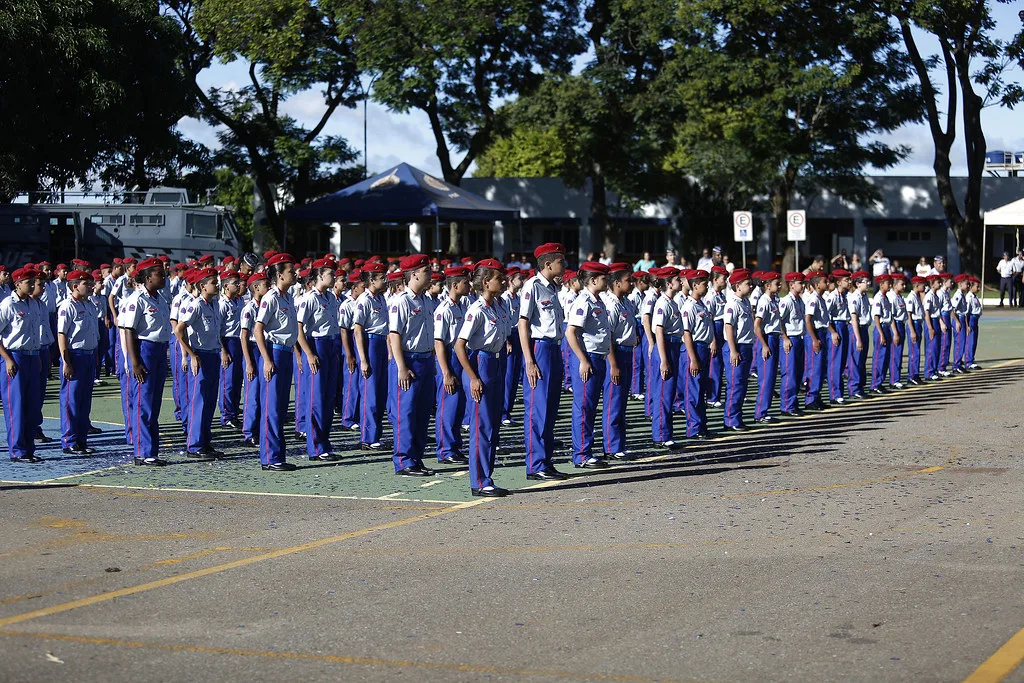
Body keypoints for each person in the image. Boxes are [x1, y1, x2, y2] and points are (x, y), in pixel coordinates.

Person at [455, 259, 513, 496]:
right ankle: (479, 481)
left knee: (493, 424)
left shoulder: (498, 306)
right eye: (499, 278)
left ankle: (487, 475)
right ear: (486, 282)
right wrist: (473, 377)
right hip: (482, 363)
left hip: (497, 361)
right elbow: (460, 345)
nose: (503, 281)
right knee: (482, 425)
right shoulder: (476, 310)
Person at [518, 243, 570, 479]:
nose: (565, 264)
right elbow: (523, 323)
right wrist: (529, 360)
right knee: (537, 408)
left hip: (554, 349)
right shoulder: (533, 287)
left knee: (550, 409)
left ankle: (546, 461)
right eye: (561, 261)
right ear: (548, 264)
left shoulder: (553, 288)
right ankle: (536, 464)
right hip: (540, 348)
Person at [387, 253, 437, 476]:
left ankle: (416, 458)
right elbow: (394, 336)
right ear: (414, 274)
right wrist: (401, 366)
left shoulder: (426, 300)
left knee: (423, 412)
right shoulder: (402, 301)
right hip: (408, 361)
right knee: (405, 413)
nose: (430, 275)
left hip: (425, 360)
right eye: (426, 271)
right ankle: (404, 460)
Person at [122, 258, 172, 466]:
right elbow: (128, 331)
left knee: (154, 403)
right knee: (144, 402)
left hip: (159, 350)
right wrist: (134, 362)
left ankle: (151, 449)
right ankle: (143, 452)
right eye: (159, 274)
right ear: (147, 277)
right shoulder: (137, 300)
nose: (164, 277)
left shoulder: (159, 299)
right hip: (145, 350)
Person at [254, 253, 300, 472]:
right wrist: (266, 359)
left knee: (280, 408)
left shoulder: (287, 297)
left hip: (286, 351)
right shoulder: (271, 298)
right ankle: (271, 458)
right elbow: (257, 329)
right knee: (272, 407)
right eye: (291, 271)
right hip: (275, 352)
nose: (295, 273)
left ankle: (278, 455)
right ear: (280, 275)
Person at [565, 262, 612, 469]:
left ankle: (587, 450)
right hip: (588, 357)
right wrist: (583, 360)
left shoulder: (598, 301)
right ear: (593, 280)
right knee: (584, 407)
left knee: (591, 407)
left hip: (598, 356)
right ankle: (582, 454)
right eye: (604, 278)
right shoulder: (583, 301)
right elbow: (570, 332)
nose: (607, 281)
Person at [175, 267, 225, 460]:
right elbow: (179, 331)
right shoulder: (195, 305)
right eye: (213, 282)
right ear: (203, 286)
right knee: (199, 401)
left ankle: (205, 441)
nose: (217, 285)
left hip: (213, 354)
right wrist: (191, 355)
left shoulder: (214, 305)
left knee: (210, 401)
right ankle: (194, 445)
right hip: (201, 355)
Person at [296, 258, 342, 462]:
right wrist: (308, 353)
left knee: (329, 397)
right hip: (317, 345)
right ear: (320, 276)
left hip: (331, 345)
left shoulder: (331, 298)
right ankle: (316, 446)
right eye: (331, 274)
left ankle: (325, 442)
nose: (334, 277)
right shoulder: (310, 298)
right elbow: (298, 329)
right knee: (316, 398)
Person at [0, 268, 44, 462]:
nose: (33, 285)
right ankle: (18, 450)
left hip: (33, 356)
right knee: (16, 406)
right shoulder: (8, 304)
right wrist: (8, 359)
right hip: (15, 357)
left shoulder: (33, 304)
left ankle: (29, 448)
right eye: (29, 282)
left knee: (33, 406)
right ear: (17, 283)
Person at [57, 270, 100, 455]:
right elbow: (62, 335)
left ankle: (81, 439)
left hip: (89, 355)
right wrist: (66, 361)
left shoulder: (89, 305)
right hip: (75, 356)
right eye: (87, 283)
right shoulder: (67, 306)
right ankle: (69, 440)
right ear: (75, 286)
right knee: (71, 400)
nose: (91, 286)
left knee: (84, 400)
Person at [433, 265, 470, 465]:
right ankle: (445, 449)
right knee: (449, 404)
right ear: (454, 285)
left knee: (459, 405)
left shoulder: (463, 305)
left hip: (460, 355)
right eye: (465, 282)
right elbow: (439, 342)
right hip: (448, 357)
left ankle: (455, 446)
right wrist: (446, 371)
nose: (469, 285)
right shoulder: (444, 310)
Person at [601, 262, 636, 459]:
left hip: (627, 352)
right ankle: (611, 446)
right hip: (616, 354)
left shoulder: (626, 302)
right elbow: (609, 337)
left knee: (621, 401)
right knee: (613, 401)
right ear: (616, 283)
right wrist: (613, 364)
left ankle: (619, 444)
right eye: (627, 280)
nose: (631, 283)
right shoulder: (612, 305)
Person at [352, 262, 389, 450]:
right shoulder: (364, 300)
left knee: (381, 392)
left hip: (382, 343)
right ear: (371, 280)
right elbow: (358, 330)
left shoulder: (381, 299)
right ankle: (368, 437)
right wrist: (363, 359)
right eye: (381, 277)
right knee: (370, 392)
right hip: (370, 343)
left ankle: (376, 434)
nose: (385, 280)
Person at [650, 267, 684, 449]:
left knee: (669, 393)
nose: (681, 281)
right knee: (663, 393)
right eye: (677, 279)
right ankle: (661, 435)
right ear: (669, 283)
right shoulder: (662, 303)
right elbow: (659, 332)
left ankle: (665, 433)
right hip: (666, 347)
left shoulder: (672, 302)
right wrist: (664, 359)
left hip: (673, 346)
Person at [680, 269, 714, 437]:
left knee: (701, 389)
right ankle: (694, 428)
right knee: (693, 390)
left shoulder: (702, 305)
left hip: (704, 348)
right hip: (694, 349)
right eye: (704, 284)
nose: (707, 287)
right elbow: (687, 333)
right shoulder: (689, 306)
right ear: (694, 285)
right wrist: (693, 358)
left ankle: (701, 425)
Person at [722, 269, 754, 430]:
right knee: (735, 384)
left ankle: (737, 416)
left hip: (746, 346)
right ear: (738, 286)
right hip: (736, 345)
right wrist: (733, 350)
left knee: (742, 384)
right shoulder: (733, 304)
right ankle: (731, 419)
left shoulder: (745, 301)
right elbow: (728, 327)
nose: (751, 285)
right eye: (747, 283)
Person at [803, 271, 839, 410]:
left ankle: (816, 396)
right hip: (815, 334)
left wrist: (831, 332)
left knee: (821, 368)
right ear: (817, 284)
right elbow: (808, 320)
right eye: (825, 281)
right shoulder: (813, 299)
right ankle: (810, 399)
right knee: (814, 368)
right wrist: (814, 339)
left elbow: (824, 320)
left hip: (822, 333)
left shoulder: (821, 299)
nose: (828, 283)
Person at [239, 272, 267, 447]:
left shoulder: (265, 305)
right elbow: (244, 336)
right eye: (265, 284)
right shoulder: (248, 309)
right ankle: (249, 432)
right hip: (253, 349)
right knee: (253, 394)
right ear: (256, 287)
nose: (268, 287)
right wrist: (249, 362)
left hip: (263, 347)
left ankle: (259, 429)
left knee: (263, 392)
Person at [753, 271, 781, 423]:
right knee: (766, 378)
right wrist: (764, 345)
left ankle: (764, 410)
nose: (780, 285)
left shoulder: (773, 300)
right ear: (768, 285)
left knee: (771, 378)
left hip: (774, 338)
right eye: (777, 283)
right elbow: (757, 326)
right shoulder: (764, 301)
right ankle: (760, 413)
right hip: (767, 339)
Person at [218, 271, 245, 429]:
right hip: (228, 342)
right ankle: (227, 414)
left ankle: (234, 412)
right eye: (235, 282)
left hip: (239, 341)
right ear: (226, 285)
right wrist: (223, 351)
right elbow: (218, 330)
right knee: (228, 380)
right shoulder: (222, 304)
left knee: (237, 380)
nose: (238, 285)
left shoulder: (239, 301)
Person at [338, 271, 364, 432]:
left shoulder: (363, 301)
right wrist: (349, 354)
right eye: (362, 286)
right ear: (354, 288)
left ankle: (358, 414)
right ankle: (348, 417)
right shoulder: (347, 305)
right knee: (351, 381)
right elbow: (344, 330)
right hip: (351, 341)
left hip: (361, 340)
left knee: (361, 380)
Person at [778, 272, 806, 417]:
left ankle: (793, 403)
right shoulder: (786, 301)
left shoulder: (799, 301)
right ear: (791, 285)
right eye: (800, 283)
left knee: (798, 373)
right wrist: (785, 338)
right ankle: (787, 405)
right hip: (791, 339)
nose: (803, 285)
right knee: (789, 373)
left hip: (799, 338)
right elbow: (779, 321)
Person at [501, 267, 525, 425]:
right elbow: (504, 322)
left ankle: (508, 411)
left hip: (518, 335)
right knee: (508, 376)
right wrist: (507, 341)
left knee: (515, 375)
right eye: (519, 278)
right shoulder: (505, 298)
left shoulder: (517, 297)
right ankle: (503, 412)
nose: (522, 281)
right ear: (511, 280)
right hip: (509, 336)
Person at [824, 269, 851, 404]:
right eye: (846, 280)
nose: (849, 282)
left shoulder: (844, 295)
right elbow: (825, 316)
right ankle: (835, 394)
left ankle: (839, 391)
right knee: (835, 362)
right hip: (836, 326)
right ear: (839, 282)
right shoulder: (833, 296)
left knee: (841, 362)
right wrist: (833, 332)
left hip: (843, 326)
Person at [703, 266, 728, 409]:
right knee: (715, 364)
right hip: (715, 328)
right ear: (715, 279)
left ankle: (716, 395)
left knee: (720, 364)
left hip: (721, 327)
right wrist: (712, 340)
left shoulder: (721, 295)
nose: (726, 281)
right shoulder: (711, 296)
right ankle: (712, 397)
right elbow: (709, 319)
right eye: (724, 278)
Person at [847, 271, 872, 398]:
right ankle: (854, 388)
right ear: (857, 284)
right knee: (855, 359)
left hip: (864, 328)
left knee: (862, 359)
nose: (868, 283)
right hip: (857, 329)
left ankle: (860, 386)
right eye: (865, 281)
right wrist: (858, 338)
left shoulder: (864, 296)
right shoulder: (855, 297)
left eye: (868, 281)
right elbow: (854, 318)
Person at [869, 274, 895, 393]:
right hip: (881, 329)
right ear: (881, 284)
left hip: (886, 328)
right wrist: (881, 334)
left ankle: (880, 382)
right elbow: (877, 318)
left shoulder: (886, 298)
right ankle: (875, 384)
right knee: (879, 357)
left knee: (885, 358)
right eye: (888, 283)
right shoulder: (878, 298)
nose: (890, 285)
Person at [904, 276, 926, 385]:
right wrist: (912, 331)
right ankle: (912, 375)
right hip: (914, 324)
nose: (925, 287)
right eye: (923, 285)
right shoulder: (911, 297)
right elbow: (908, 315)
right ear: (917, 286)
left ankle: (915, 374)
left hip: (918, 324)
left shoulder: (917, 297)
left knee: (917, 351)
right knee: (914, 352)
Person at [888, 274, 909, 389]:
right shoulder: (892, 297)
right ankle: (894, 380)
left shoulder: (899, 296)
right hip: (895, 325)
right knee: (895, 354)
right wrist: (895, 332)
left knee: (899, 353)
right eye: (902, 284)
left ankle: (897, 378)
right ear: (895, 285)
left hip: (901, 324)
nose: (904, 286)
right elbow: (891, 316)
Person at [923, 274, 943, 380]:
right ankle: (929, 372)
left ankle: (934, 370)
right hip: (931, 322)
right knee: (931, 348)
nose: (940, 284)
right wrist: (930, 328)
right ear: (932, 284)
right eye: (938, 282)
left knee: (936, 348)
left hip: (936, 321)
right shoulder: (929, 296)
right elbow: (926, 313)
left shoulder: (936, 296)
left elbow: (937, 312)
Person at [950, 273, 970, 374]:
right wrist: (957, 322)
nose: (968, 286)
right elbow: (952, 310)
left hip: (962, 319)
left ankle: (959, 363)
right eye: (967, 284)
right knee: (959, 342)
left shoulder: (962, 295)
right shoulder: (957, 295)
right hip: (958, 319)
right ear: (960, 284)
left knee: (962, 342)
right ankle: (956, 365)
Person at [965, 277, 982, 370]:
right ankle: (968, 361)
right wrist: (967, 325)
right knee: (970, 341)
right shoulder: (969, 297)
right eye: (977, 286)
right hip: (971, 320)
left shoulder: (975, 297)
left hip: (975, 320)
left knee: (974, 341)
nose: (978, 288)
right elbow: (966, 313)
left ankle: (971, 359)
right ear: (971, 286)